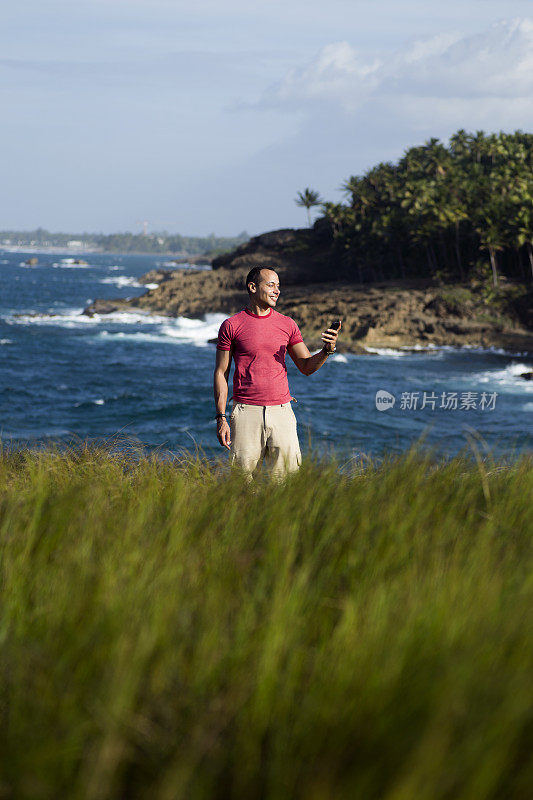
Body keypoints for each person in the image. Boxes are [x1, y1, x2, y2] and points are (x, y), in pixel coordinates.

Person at [213, 266, 341, 481]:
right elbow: (221, 372)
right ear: (253, 287)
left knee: (286, 484)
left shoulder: (287, 324)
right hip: (245, 412)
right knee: (241, 483)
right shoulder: (231, 325)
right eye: (271, 285)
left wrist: (326, 351)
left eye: (278, 286)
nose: (277, 291)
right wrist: (221, 418)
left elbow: (307, 367)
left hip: (282, 412)